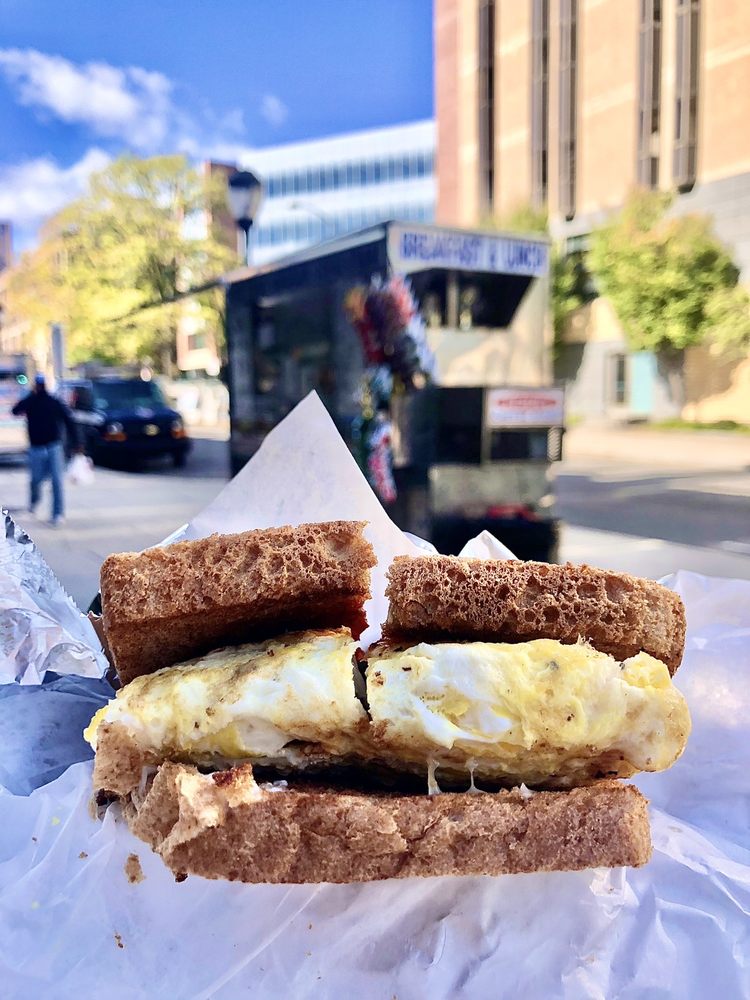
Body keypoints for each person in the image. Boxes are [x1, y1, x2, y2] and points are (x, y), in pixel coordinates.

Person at [11, 373, 81, 526]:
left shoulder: (53, 402)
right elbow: (15, 410)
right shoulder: (31, 401)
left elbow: (69, 421)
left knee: (56, 481)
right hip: (36, 447)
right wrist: (30, 396)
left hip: (53, 446)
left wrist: (77, 443)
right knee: (36, 480)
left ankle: (57, 513)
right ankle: (34, 503)